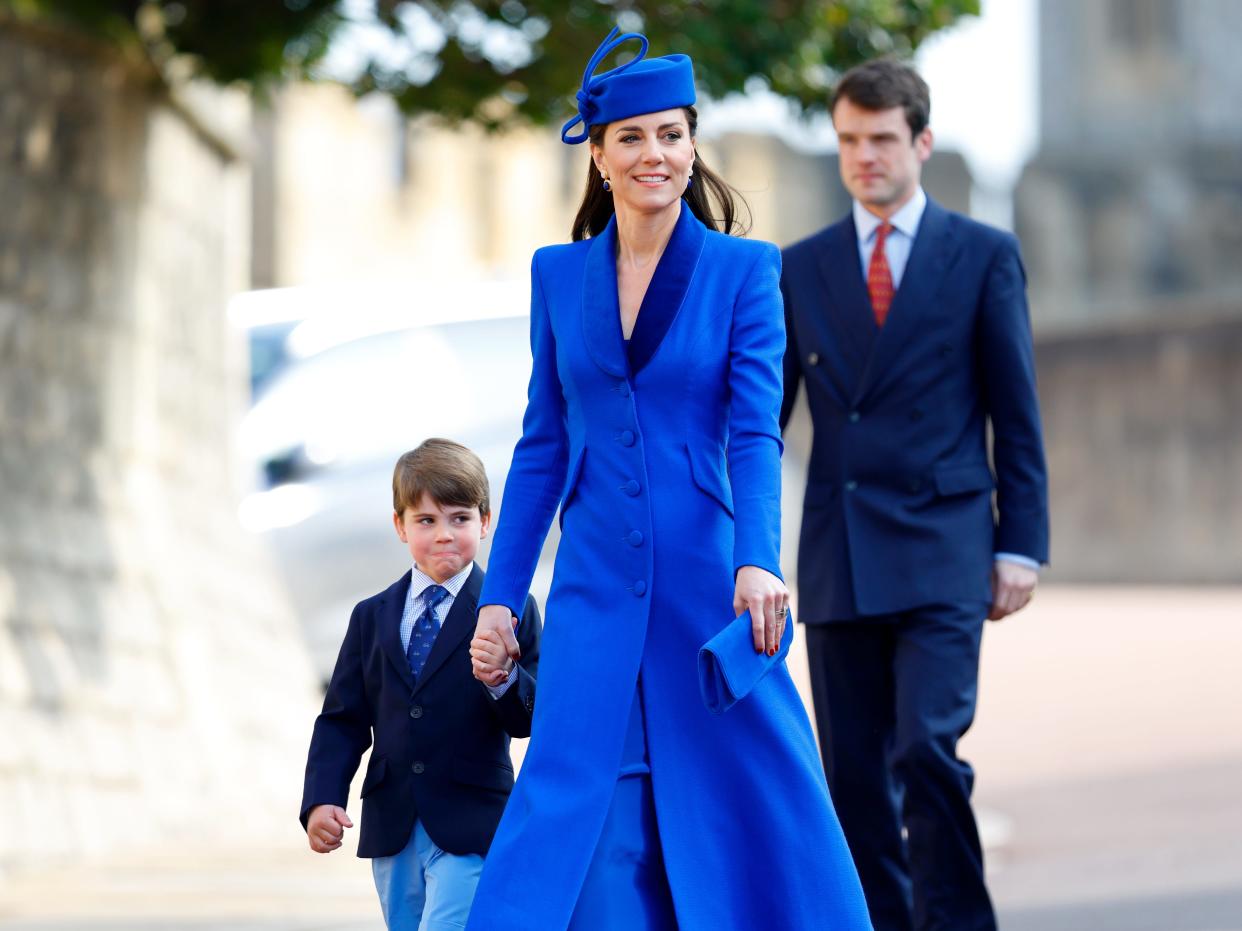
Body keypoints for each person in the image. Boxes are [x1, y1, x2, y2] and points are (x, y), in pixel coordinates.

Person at [464, 27, 871, 931]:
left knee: (752, 806)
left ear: (693, 148)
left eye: (673, 135)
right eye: (634, 138)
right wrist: (501, 593)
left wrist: (758, 559)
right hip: (594, 589)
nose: (656, 153)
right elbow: (541, 445)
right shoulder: (558, 276)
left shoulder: (746, 273)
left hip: (711, 585)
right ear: (599, 156)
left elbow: (754, 434)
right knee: (581, 816)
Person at [779, 59, 1050, 931]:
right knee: (854, 777)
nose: (864, 157)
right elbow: (761, 426)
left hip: (946, 544)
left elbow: (1017, 409)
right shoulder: (801, 266)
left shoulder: (982, 256)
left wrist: (1021, 542)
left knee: (928, 749)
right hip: (841, 549)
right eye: (849, 140)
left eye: (882, 138)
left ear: (921, 143)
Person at [299, 439, 541, 931]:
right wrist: (323, 798)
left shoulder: (511, 610)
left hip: (471, 821)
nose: (444, 534)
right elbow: (343, 719)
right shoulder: (371, 616)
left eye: (459, 518)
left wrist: (504, 679)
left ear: (485, 522)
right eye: (426, 521)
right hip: (393, 824)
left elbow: (529, 719)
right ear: (400, 526)